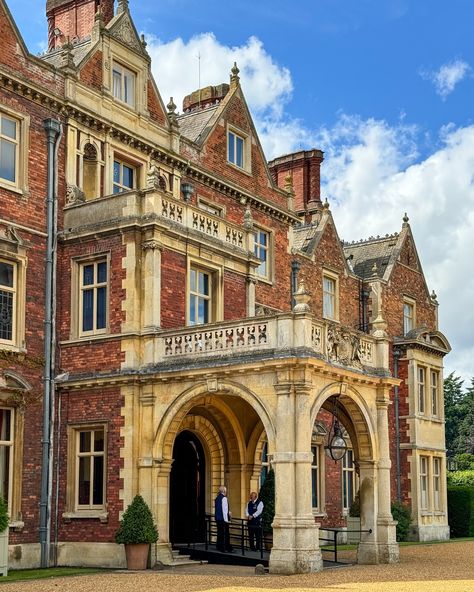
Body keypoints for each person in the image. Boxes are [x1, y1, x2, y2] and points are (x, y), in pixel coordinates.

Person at [214, 485, 232, 552]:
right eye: (226, 490)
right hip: (223, 519)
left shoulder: (217, 498)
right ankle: (225, 548)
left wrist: (228, 512)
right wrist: (226, 520)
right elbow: (224, 510)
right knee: (225, 534)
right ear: (224, 491)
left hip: (218, 518)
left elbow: (219, 508)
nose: (226, 491)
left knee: (219, 533)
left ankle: (219, 546)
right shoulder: (224, 498)